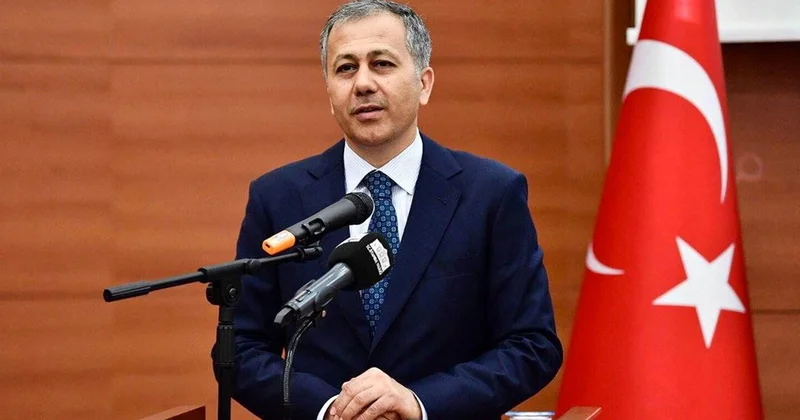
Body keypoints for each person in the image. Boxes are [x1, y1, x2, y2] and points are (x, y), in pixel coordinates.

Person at [226, 1, 562, 419]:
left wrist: (420, 403)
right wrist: (329, 409)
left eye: (382, 64)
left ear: (424, 83)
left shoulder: (491, 193)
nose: (363, 83)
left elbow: (532, 345)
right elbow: (241, 349)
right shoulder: (278, 197)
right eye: (346, 68)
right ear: (329, 92)